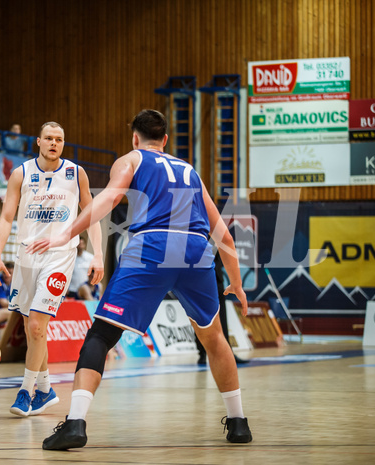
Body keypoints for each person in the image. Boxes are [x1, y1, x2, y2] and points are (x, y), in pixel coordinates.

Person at [29, 109, 252, 449]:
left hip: (153, 244)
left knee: (102, 334)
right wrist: (236, 283)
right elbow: (224, 235)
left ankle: (75, 424)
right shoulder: (189, 170)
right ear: (164, 140)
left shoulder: (131, 158)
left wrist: (65, 234)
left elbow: (109, 198)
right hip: (196, 249)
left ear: (136, 137)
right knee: (214, 337)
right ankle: (238, 423)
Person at [0, 121, 103, 417]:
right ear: (38, 142)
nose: (54, 143)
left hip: (60, 257)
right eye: (49, 138)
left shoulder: (76, 173)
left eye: (60, 139)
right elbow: (5, 217)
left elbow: (91, 214)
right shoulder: (21, 173)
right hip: (27, 257)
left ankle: (25, 391)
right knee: (32, 329)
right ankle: (46, 389)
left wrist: (98, 254)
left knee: (38, 324)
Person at [195, 253, 250, 365]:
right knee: (198, 315)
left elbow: (224, 248)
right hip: (197, 274)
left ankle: (227, 352)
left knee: (221, 317)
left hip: (216, 276)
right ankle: (202, 353)